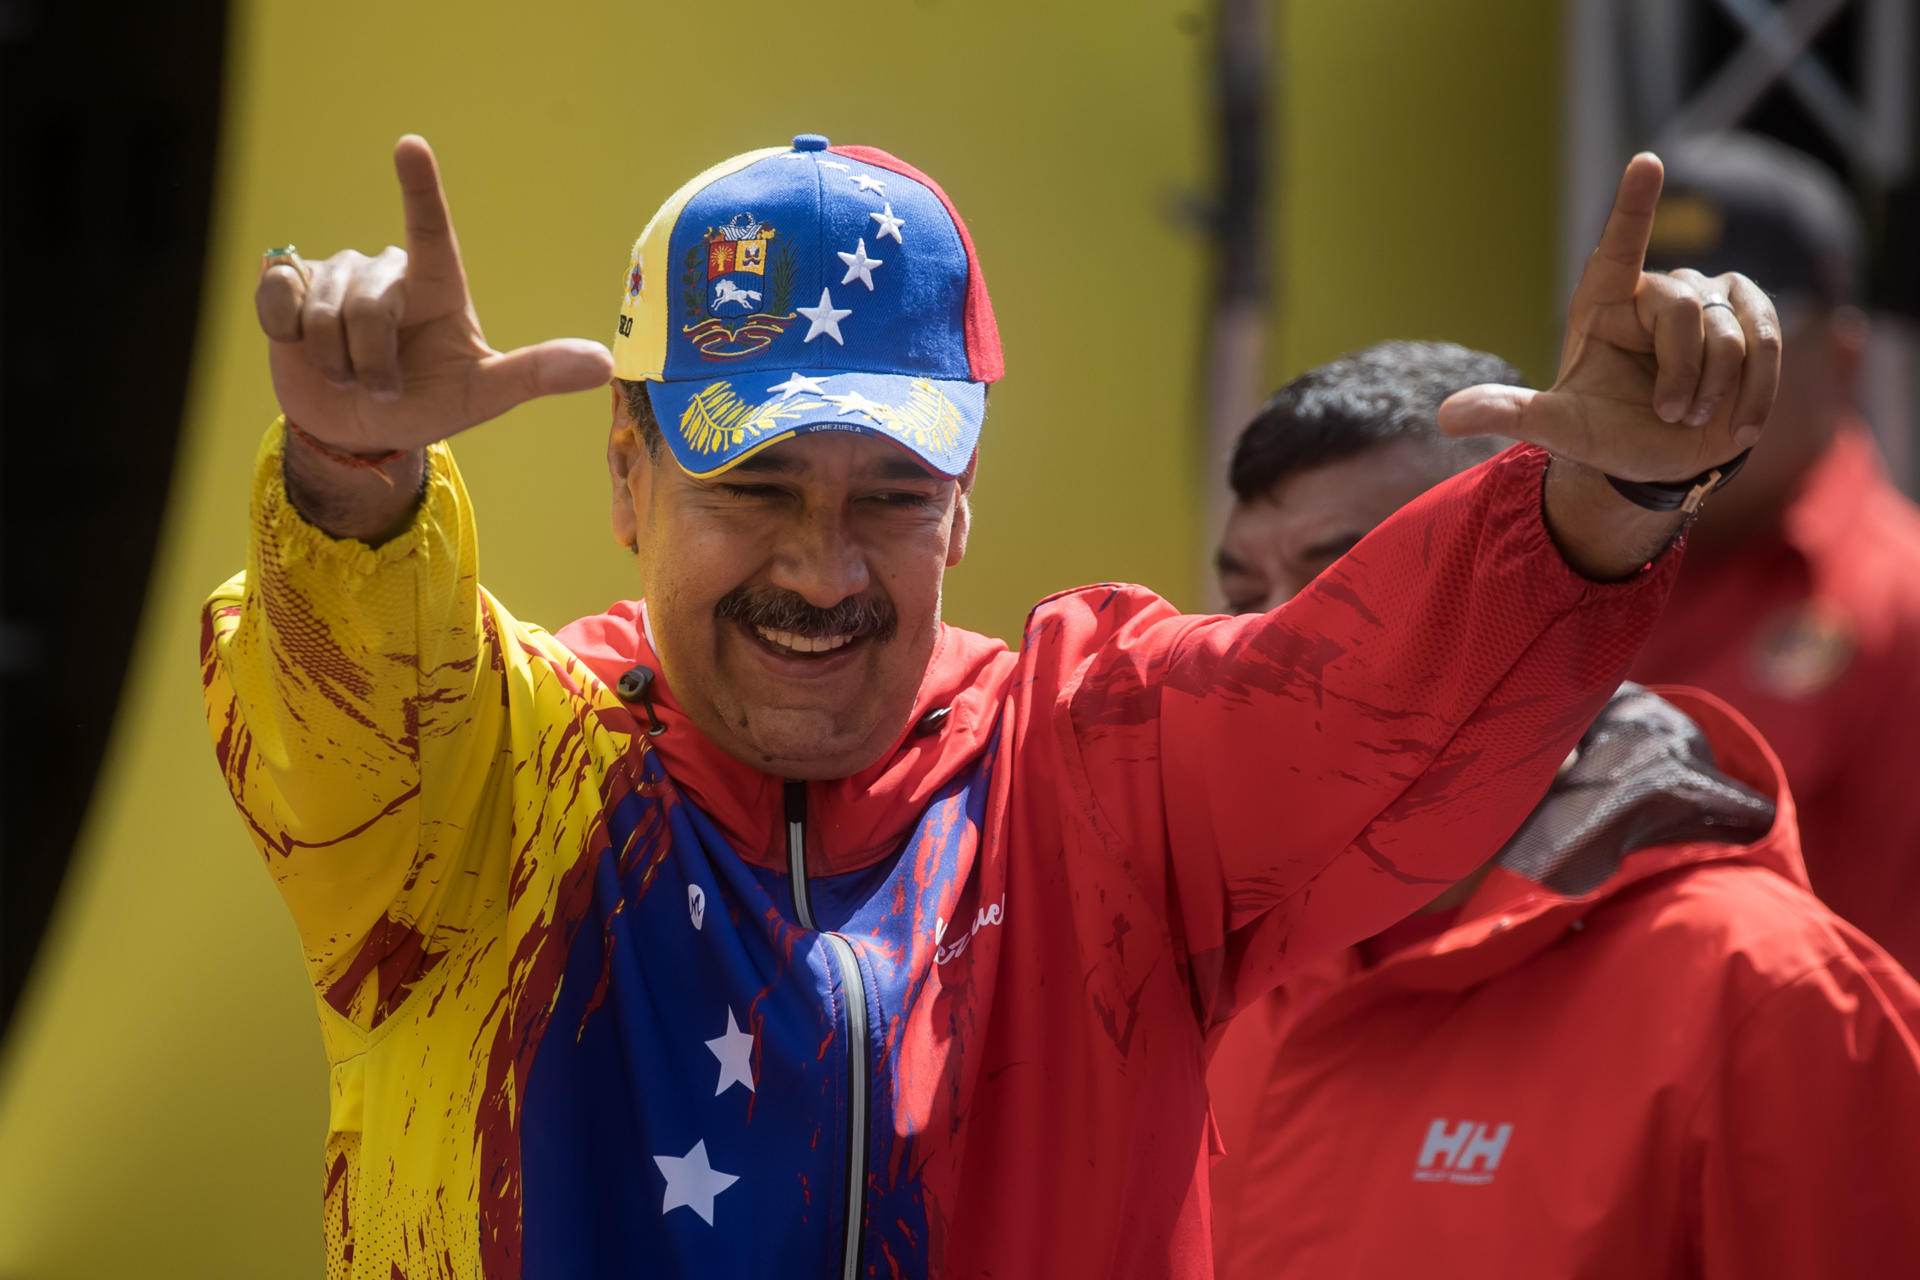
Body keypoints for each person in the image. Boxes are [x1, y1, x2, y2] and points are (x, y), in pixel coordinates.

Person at [202, 133, 1775, 1279]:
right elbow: (344, 706)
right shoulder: (489, 776)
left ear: (962, 506)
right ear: (628, 473)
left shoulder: (1093, 769)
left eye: (891, 496)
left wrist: (1610, 497)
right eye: (756, 485)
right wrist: (353, 488)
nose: (822, 570)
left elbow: (1373, 706)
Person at [1207, 341, 1920, 1279]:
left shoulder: (1766, 993)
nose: (1274, 645)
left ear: (1548, 599)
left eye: (1345, 590)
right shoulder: (1204, 959)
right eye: (1243, 595)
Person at [1629, 132, 1920, 973]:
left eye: (1728, 342)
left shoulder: (1898, 606)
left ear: (1843, 357)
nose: (1678, 378)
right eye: (1645, 339)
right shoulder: (1544, 576)